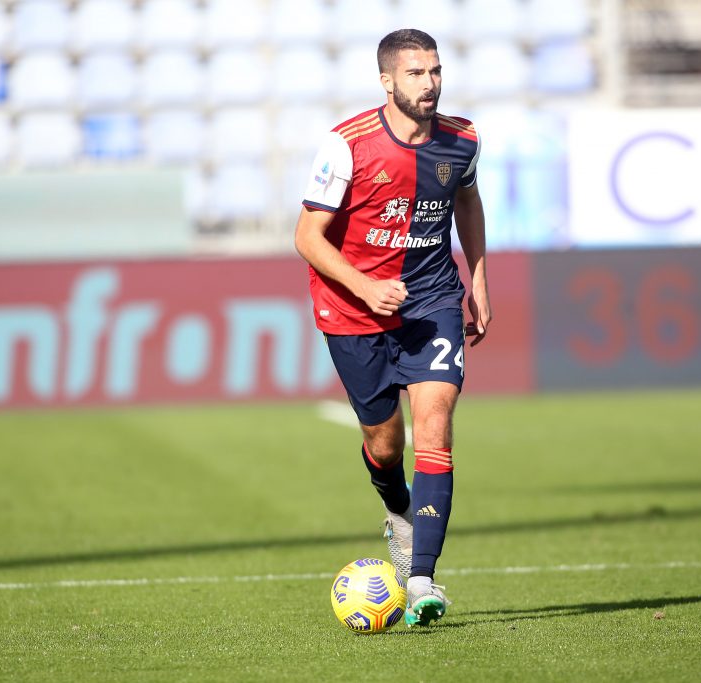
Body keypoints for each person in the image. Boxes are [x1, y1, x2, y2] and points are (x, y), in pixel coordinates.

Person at [294, 28, 491, 627]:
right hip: (353, 311)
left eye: (435, 71)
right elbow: (306, 237)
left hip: (432, 300)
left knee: (435, 426)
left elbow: (467, 203)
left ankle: (424, 579)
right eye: (415, 73)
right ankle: (398, 510)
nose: (429, 83)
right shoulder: (345, 145)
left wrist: (477, 279)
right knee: (385, 443)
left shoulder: (463, 140)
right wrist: (367, 287)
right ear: (386, 80)